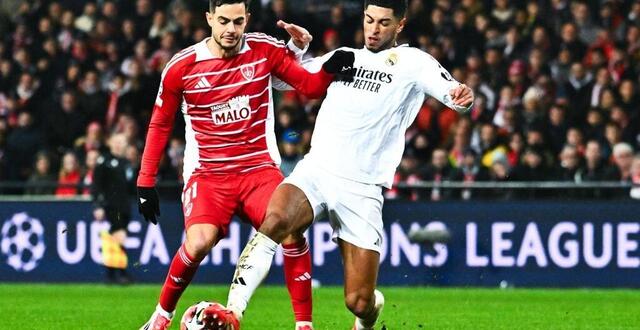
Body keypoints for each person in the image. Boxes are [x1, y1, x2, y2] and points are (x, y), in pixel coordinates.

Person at [210, 1, 474, 329]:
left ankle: (367, 315)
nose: (374, 29)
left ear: (400, 25)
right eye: (369, 20)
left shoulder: (413, 62)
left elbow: (454, 95)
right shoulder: (344, 56)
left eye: (383, 23)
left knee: (358, 301)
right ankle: (232, 312)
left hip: (362, 188)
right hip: (317, 170)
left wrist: (462, 97)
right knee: (274, 220)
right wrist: (296, 50)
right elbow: (283, 80)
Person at [136, 1, 354, 329]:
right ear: (209, 18)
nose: (231, 29)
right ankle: (160, 317)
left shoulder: (263, 50)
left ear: (247, 20)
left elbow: (307, 86)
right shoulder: (182, 66)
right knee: (198, 243)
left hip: (258, 169)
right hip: (208, 174)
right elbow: (160, 123)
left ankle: (304, 325)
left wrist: (329, 68)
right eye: (223, 21)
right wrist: (145, 180)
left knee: (291, 230)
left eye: (238, 22)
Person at [92, 133, 136, 284]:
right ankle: (122, 274)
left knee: (114, 239)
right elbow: (97, 185)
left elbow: (131, 187)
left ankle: (111, 274)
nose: (119, 145)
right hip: (111, 206)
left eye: (122, 142)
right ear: (110, 143)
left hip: (125, 206)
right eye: (116, 141)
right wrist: (97, 205)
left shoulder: (127, 163)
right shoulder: (104, 161)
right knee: (119, 236)